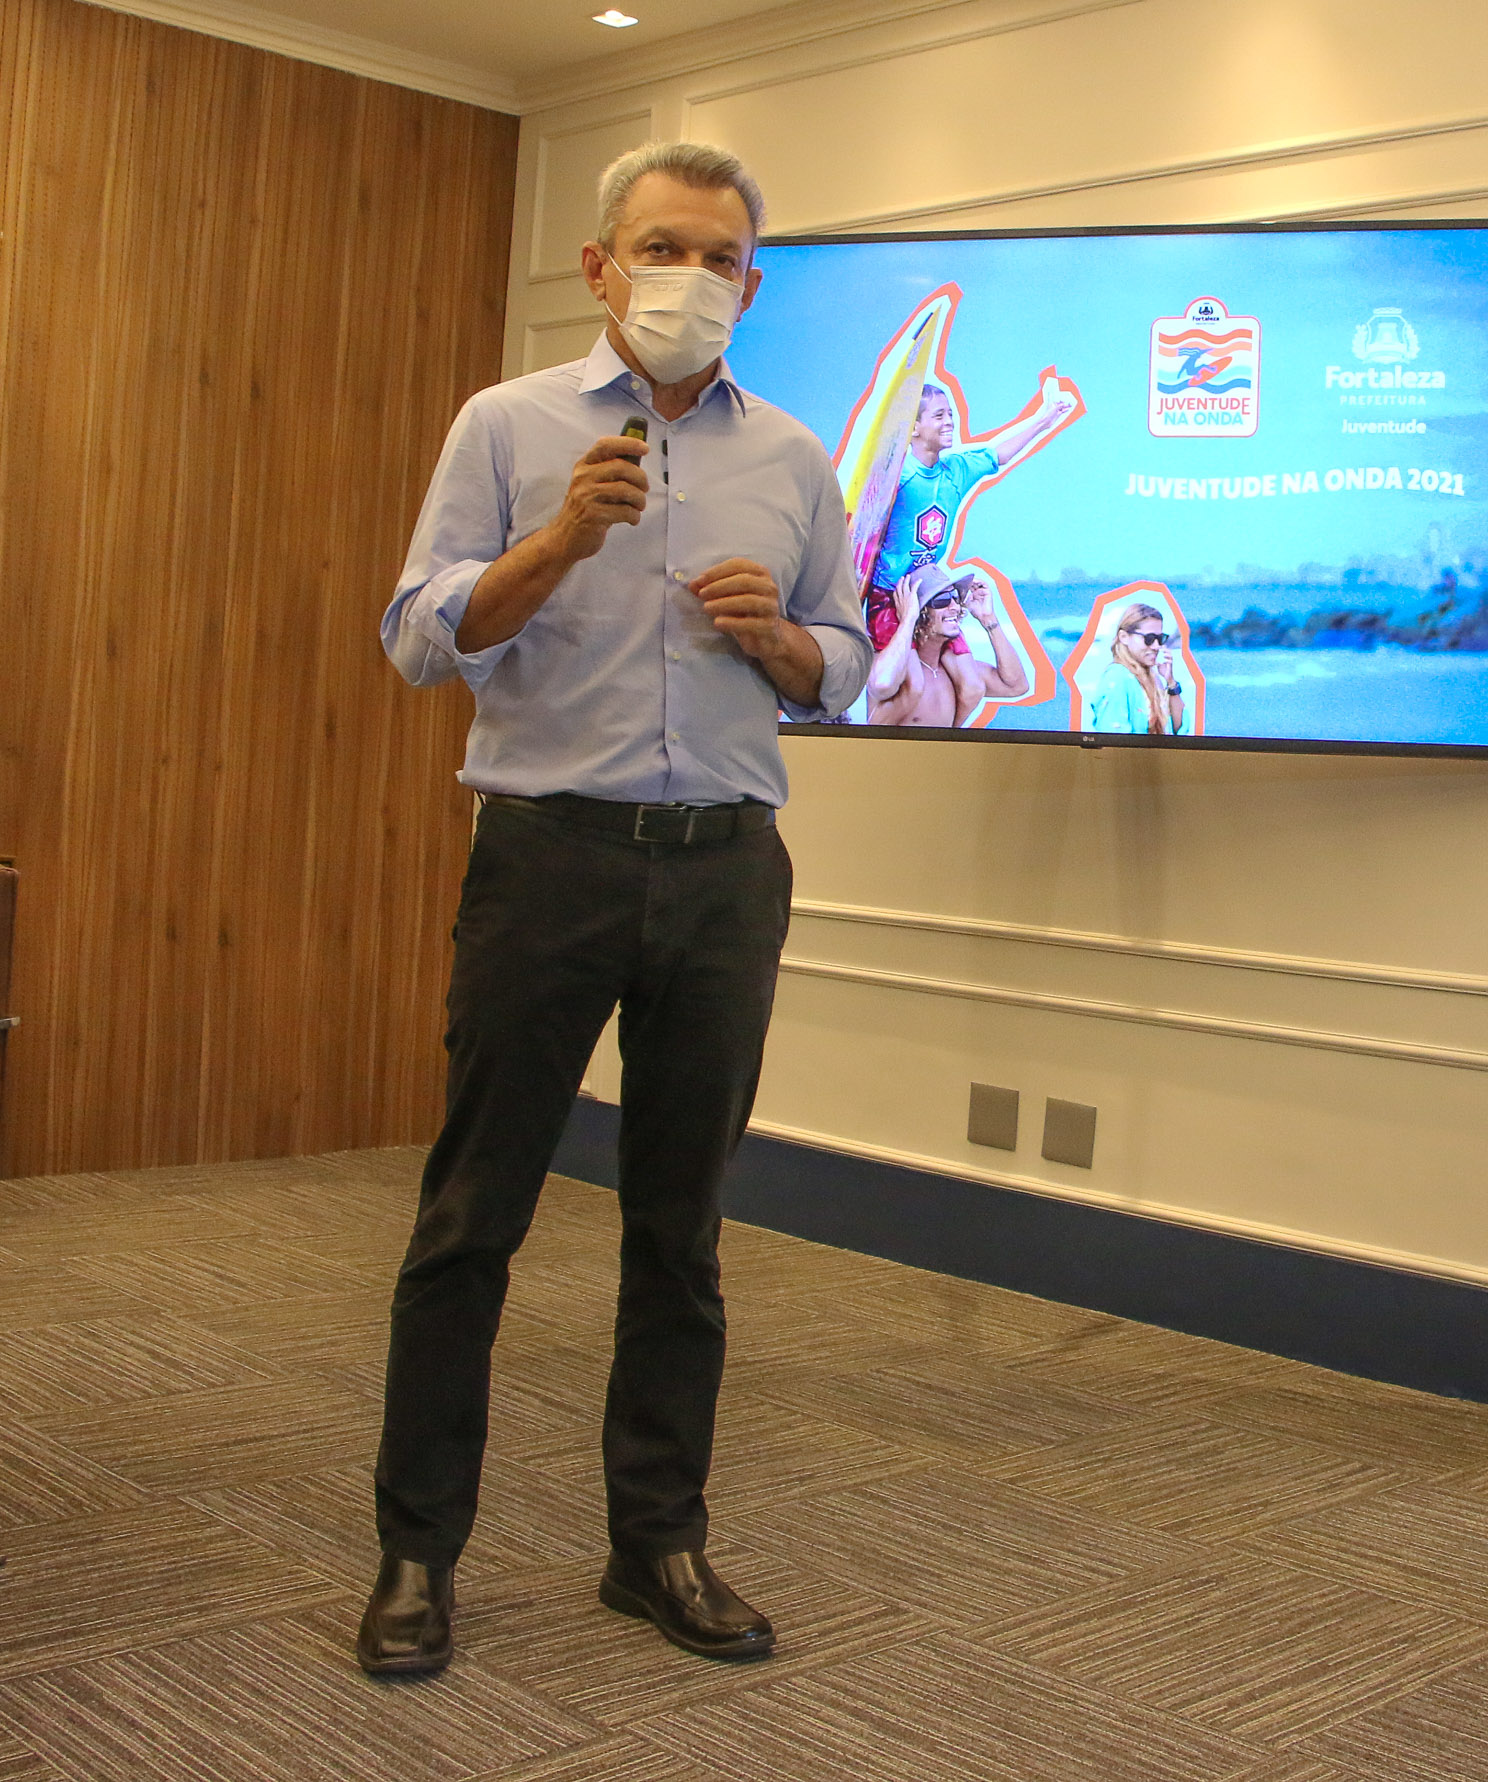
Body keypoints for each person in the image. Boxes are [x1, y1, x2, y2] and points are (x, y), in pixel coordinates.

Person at [361, 140, 869, 1679]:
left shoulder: (789, 454)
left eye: (719, 258)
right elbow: (417, 637)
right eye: (663, 248)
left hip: (726, 866)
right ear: (598, 267)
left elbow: (848, 661)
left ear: (751, 285)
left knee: (683, 1230)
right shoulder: (506, 425)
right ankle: (415, 1552)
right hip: (549, 856)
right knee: (473, 1218)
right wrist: (554, 542)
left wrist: (780, 637)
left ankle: (656, 1543)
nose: (690, 280)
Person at [862, 378, 1076, 651]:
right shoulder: (895, 474)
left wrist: (1044, 421)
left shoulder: (956, 471)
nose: (950, 421)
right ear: (913, 427)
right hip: (891, 594)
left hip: (932, 595)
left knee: (968, 681)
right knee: (902, 682)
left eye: (950, 414)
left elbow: (999, 455)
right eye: (939, 415)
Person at [864, 562, 1032, 727]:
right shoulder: (895, 670)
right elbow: (881, 684)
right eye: (942, 599)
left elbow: (1016, 686)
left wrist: (988, 619)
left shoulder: (957, 675)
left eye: (955, 597)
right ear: (919, 611)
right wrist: (907, 620)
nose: (954, 606)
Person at [1070, 600, 1192, 736]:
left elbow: (1178, 731)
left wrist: (1171, 683)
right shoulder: (1117, 678)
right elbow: (1114, 741)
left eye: (1160, 638)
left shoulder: (1151, 677)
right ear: (1124, 637)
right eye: (1149, 638)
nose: (1156, 646)